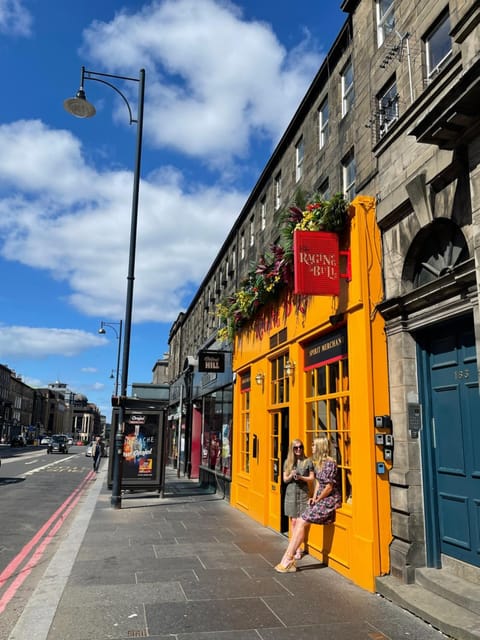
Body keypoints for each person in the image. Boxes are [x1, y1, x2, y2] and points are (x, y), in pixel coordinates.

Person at [275, 434, 341, 573]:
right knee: (299, 521)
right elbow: (318, 483)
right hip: (320, 498)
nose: (311, 447)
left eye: (314, 445)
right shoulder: (318, 463)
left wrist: (317, 499)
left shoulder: (330, 463)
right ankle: (289, 558)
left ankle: (288, 559)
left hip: (329, 499)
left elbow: (329, 487)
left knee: (301, 521)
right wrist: (314, 497)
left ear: (321, 447)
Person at [283, 439, 315, 559]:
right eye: (295, 448)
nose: (298, 450)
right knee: (293, 522)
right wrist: (291, 475)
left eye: (300, 447)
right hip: (291, 493)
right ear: (292, 449)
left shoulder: (308, 461)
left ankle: (298, 549)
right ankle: (294, 547)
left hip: (303, 494)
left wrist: (301, 477)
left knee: (300, 522)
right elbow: (285, 479)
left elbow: (312, 478)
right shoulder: (288, 462)